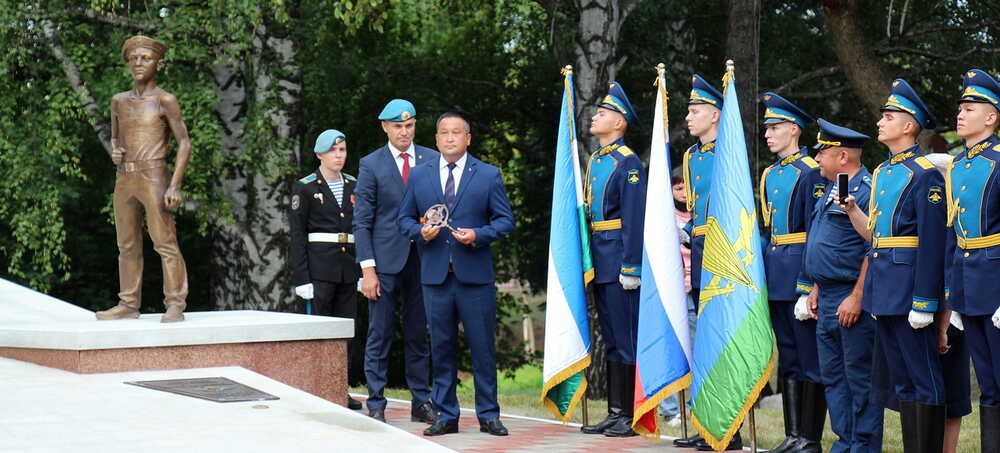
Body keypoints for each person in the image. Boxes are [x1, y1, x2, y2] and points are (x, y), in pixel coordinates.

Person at [842, 78, 946, 453]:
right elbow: (876, 238)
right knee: (901, 380)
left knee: (923, 378)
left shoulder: (925, 174)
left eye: (888, 117)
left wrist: (925, 302)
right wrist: (853, 211)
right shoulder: (884, 172)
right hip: (884, 290)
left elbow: (933, 244)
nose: (879, 122)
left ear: (908, 125)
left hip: (909, 291)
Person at [397, 112, 514, 437]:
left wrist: (478, 235)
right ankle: (446, 414)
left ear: (468, 139)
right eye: (444, 133)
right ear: (436, 139)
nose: (450, 138)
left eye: (456, 132)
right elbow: (404, 220)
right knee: (441, 348)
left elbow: (505, 221)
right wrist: (421, 233)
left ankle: (488, 415)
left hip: (474, 277)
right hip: (436, 277)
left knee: (482, 348)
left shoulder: (487, 174)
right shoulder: (419, 175)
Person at [353, 99, 437, 424]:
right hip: (385, 261)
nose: (404, 132)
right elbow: (362, 221)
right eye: (398, 126)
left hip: (423, 257)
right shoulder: (371, 164)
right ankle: (376, 401)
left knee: (419, 333)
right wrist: (368, 270)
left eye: (409, 125)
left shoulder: (432, 159)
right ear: (385, 127)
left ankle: (421, 401)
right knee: (380, 333)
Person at [96, 35, 191, 323]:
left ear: (158, 64)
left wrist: (175, 185)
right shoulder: (118, 101)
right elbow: (115, 137)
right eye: (134, 58)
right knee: (126, 244)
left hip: (154, 175)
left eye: (145, 58)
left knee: (164, 242)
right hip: (125, 177)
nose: (138, 63)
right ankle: (128, 303)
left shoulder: (165, 100)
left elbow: (184, 142)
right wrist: (115, 150)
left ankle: (175, 303)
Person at [801, 119, 882, 453]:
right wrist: (816, 287)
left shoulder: (867, 190)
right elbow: (827, 242)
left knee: (859, 378)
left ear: (843, 156)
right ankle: (845, 442)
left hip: (851, 294)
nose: (818, 158)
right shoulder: (832, 189)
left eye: (823, 152)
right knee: (834, 378)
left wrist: (858, 295)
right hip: (829, 295)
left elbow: (873, 248)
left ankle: (863, 445)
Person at [758, 93, 827, 453]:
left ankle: (810, 438)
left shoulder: (811, 171)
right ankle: (793, 434)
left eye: (775, 127)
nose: (768, 134)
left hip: (800, 269)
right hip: (776, 271)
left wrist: (809, 283)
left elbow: (817, 231)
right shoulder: (771, 174)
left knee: (808, 357)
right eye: (767, 128)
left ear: (794, 129)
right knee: (788, 356)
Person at [577, 82, 646, 438]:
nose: (594, 117)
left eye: (602, 113)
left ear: (619, 123)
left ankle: (629, 415)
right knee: (613, 338)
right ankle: (616, 411)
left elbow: (634, 217)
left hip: (619, 260)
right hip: (601, 259)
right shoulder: (598, 160)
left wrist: (631, 266)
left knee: (626, 338)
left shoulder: (628, 162)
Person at [674, 73, 730, 450]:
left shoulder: (729, 150)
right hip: (700, 252)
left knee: (723, 340)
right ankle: (707, 423)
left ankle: (727, 427)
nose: (688, 117)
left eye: (695, 111)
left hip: (725, 253)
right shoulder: (691, 156)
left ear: (715, 114)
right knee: (704, 345)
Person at [945, 68, 1000, 452]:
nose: (960, 115)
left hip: (995, 284)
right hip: (970, 286)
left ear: (991, 117)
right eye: (960, 108)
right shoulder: (958, 165)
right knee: (990, 385)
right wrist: (954, 294)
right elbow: (955, 235)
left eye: (969, 109)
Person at [290, 129, 363, 411]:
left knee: (345, 333)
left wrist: (362, 269)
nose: (338, 155)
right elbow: (298, 235)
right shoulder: (306, 187)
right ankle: (315, 389)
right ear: (319, 154)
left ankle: (339, 389)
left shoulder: (354, 185)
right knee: (318, 333)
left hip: (348, 269)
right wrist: (302, 278)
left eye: (342, 150)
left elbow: (361, 229)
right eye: (333, 151)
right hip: (319, 271)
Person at [659, 166, 695, 427]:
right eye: (678, 188)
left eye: (687, 187)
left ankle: (694, 404)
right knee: (669, 349)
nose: (683, 193)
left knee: (695, 348)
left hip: (696, 287)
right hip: (672, 289)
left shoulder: (702, 215)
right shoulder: (663, 216)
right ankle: (670, 408)